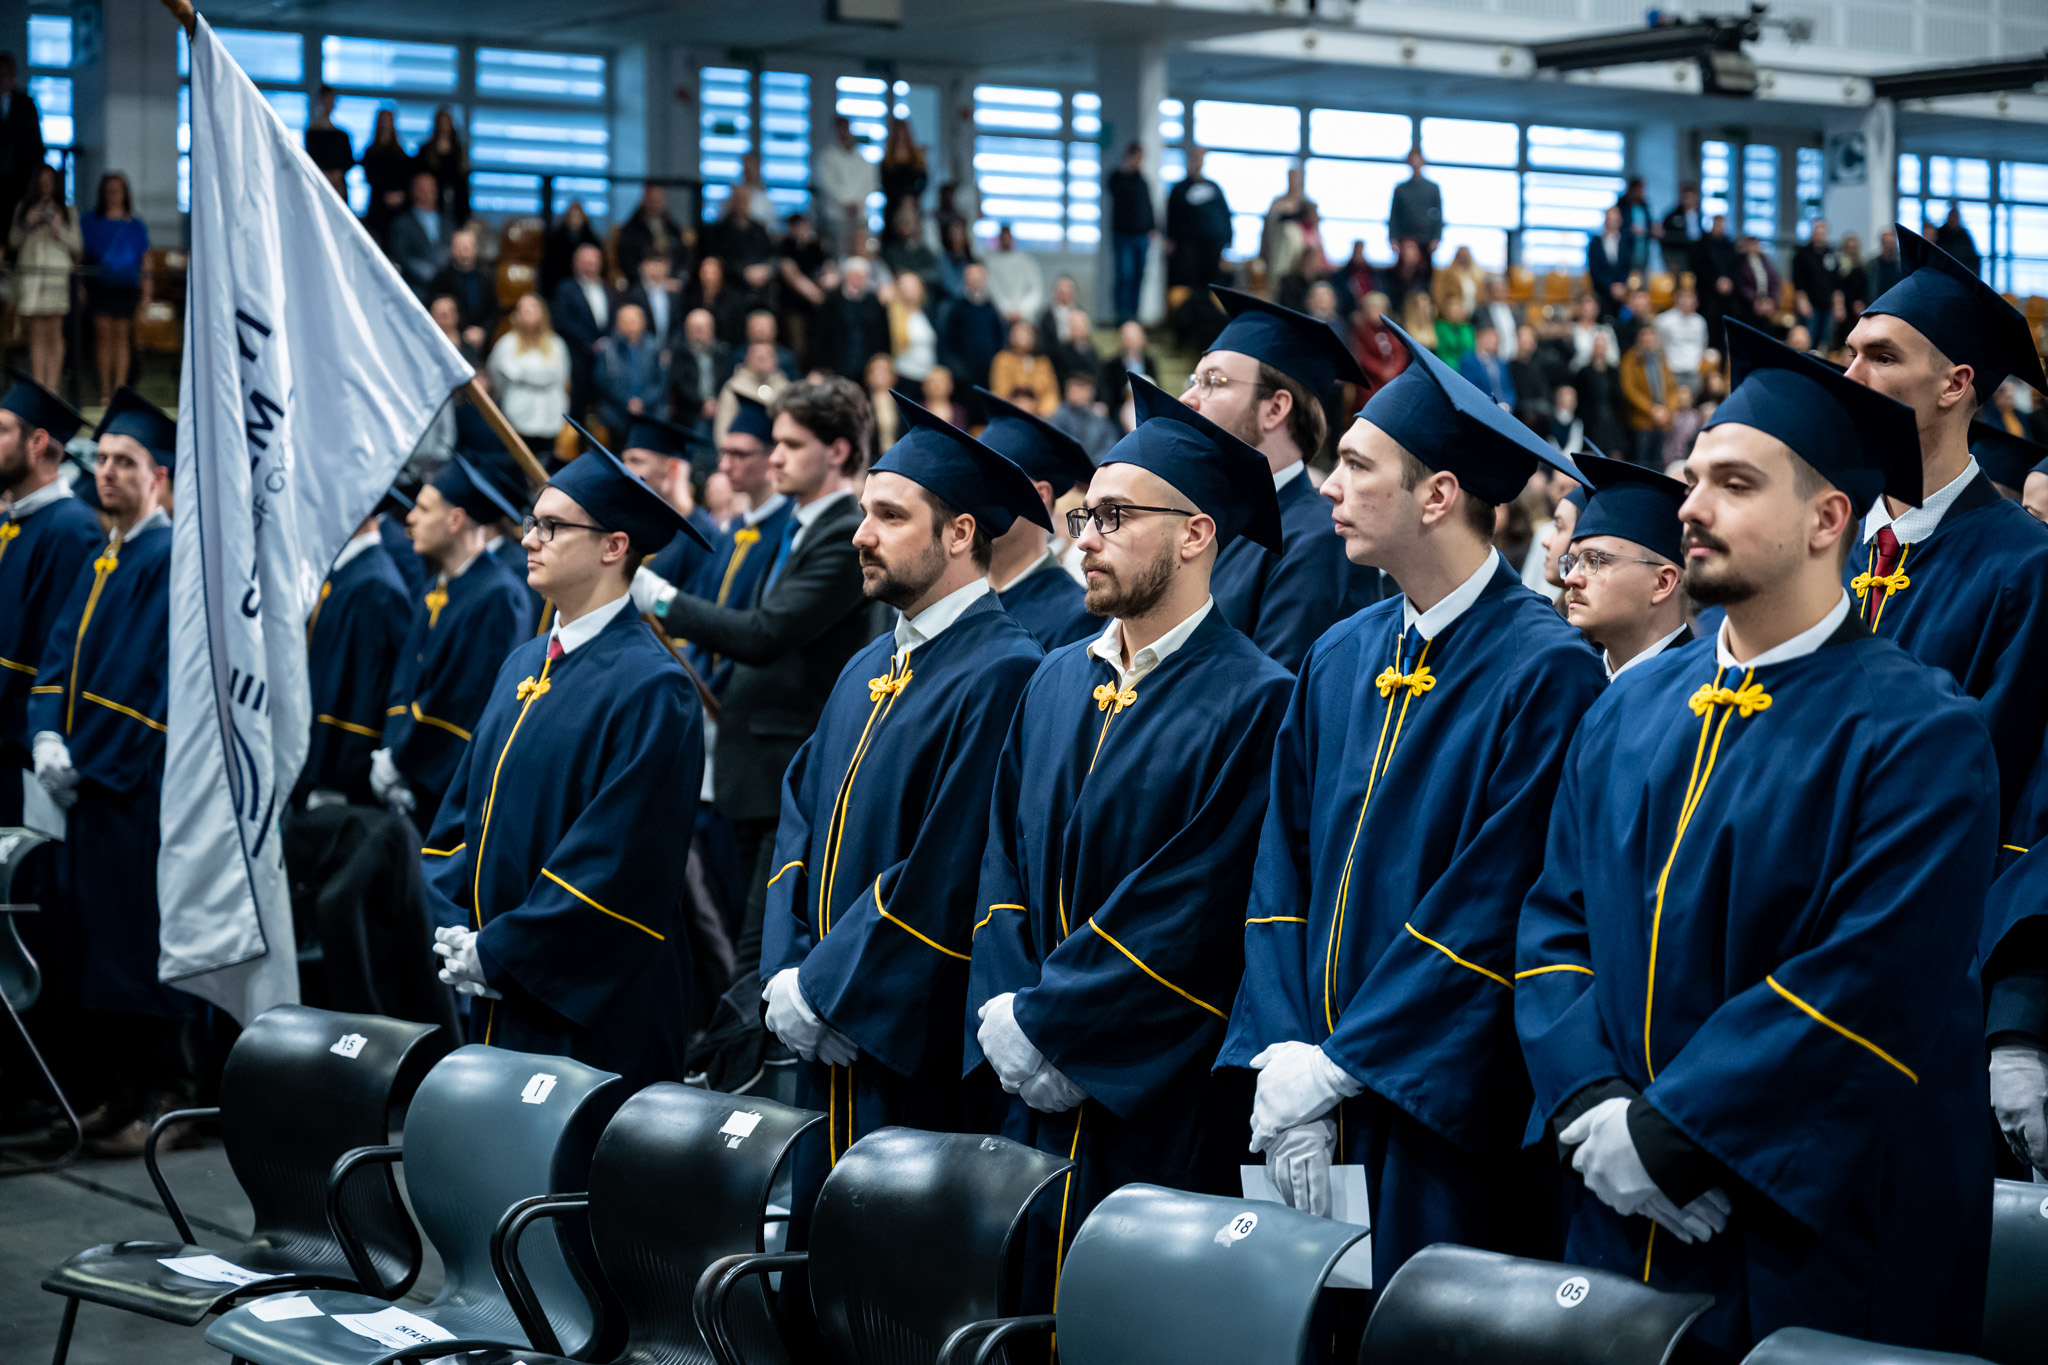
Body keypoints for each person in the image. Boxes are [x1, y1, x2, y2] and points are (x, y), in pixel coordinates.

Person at [1516, 321, 1993, 1359]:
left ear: (1826, 518)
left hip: (1808, 1224)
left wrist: (1673, 1137)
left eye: (1732, 483)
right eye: (1692, 480)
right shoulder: (1628, 711)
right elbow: (1553, 922)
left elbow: (1862, 983)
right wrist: (1593, 1108)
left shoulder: (1919, 734)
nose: (1688, 506)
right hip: (1613, 1198)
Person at [1218, 318, 1602, 1286]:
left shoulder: (1542, 670)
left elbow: (1492, 904)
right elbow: (1280, 865)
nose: (1328, 489)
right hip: (1306, 1095)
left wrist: (1346, 1064)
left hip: (1440, 1109)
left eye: (1354, 466)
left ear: (1436, 495)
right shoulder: (1338, 656)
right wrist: (1282, 1055)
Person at [968, 377, 1294, 1306]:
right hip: (1024, 1078)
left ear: (1196, 534)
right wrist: (1008, 1011)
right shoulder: (1054, 680)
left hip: (1149, 1092)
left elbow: (1191, 904)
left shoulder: (1254, 698)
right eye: (1082, 516)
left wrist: (1060, 1028)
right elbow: (1003, 864)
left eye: (1114, 516)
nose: (1086, 537)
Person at [761, 396, 1047, 1235]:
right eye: (862, 513)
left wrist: (830, 991)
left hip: (905, 1044)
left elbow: (949, 864)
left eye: (889, 515)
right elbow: (798, 818)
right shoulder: (865, 665)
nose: (861, 534)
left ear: (960, 533)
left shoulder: (1004, 669)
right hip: (824, 1032)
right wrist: (790, 972)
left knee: (892, 1279)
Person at [1836, 231, 2048, 1167]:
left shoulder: (2025, 567)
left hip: (1930, 983)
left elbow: (2029, 803)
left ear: (1957, 383)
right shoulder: (1821, 545)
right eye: (1848, 348)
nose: (1849, 372)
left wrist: (2019, 1012)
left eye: (1880, 355)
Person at [422, 435, 711, 1089]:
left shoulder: (653, 686)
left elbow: (616, 862)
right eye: (532, 521)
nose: (529, 538)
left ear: (614, 546)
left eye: (551, 526)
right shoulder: (522, 663)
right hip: (496, 984)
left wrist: (500, 951)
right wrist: (456, 932)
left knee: (572, 1181)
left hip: (591, 1005)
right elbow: (459, 819)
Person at [644, 377, 875, 983]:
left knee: (758, 961)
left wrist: (662, 600)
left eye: (791, 445)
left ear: (839, 452)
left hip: (786, 770)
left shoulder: (844, 532)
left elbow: (765, 633)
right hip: (752, 765)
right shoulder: (804, 526)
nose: (774, 458)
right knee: (737, 948)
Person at [29, 390, 195, 1154]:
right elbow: (57, 659)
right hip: (85, 784)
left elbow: (160, 687)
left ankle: (161, 1098)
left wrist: (95, 760)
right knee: (93, 940)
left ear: (158, 477)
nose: (108, 474)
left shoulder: (168, 560)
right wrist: (45, 735)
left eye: (125, 463)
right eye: (101, 461)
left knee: (137, 941)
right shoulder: (106, 551)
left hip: (137, 787)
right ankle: (112, 1092)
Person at [1181, 289, 1384, 672]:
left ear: (1275, 408)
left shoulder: (1323, 541)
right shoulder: (1199, 524)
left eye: (1214, 381)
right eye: (1194, 379)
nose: (1188, 397)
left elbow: (1273, 705)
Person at [372, 456, 533, 825]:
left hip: (445, 794)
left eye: (424, 508)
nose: (410, 518)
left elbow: (464, 701)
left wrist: (403, 762)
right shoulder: (436, 586)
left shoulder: (498, 596)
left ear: (456, 519)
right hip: (405, 772)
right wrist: (390, 753)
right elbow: (407, 680)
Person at [0, 378, 93, 827]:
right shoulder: (9, 521)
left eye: (1, 431)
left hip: (22, 752)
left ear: (37, 443)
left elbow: (59, 650)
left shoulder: (72, 531)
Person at [298, 490, 415, 807]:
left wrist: (333, 777)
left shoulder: (376, 586)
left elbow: (363, 694)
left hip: (336, 781)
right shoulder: (345, 572)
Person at [976, 388, 1098, 650]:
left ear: (1040, 495)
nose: (971, 498)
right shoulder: (957, 599)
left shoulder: (1078, 619)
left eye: (989, 481)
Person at [1557, 454, 1691, 678]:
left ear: (1662, 583)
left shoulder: (1697, 694)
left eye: (1594, 561)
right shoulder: (1572, 681)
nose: (1570, 579)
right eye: (1572, 562)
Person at [80, 173, 149, 408]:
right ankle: (105, 391)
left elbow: (145, 259)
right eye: (109, 190)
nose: (114, 195)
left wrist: (147, 293)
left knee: (122, 337)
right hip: (101, 285)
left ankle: (120, 389)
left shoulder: (135, 225)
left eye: (118, 190)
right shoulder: (91, 222)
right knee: (103, 336)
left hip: (126, 286)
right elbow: (81, 256)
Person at [10, 163, 79, 392]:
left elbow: (77, 245)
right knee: (37, 332)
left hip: (56, 277)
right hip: (32, 277)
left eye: (50, 181)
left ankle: (53, 385)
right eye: (42, 181)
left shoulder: (67, 210)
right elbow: (13, 242)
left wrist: (58, 227)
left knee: (54, 331)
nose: (46, 185)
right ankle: (39, 385)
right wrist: (27, 223)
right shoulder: (24, 207)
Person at [486, 294, 571, 454]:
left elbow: (562, 379)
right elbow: (496, 378)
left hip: (550, 416)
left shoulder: (556, 344)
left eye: (533, 307)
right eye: (523, 309)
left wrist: (523, 374)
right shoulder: (506, 344)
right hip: (517, 416)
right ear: (516, 315)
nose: (528, 312)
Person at [552, 243, 618, 423]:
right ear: (576, 264)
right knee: (578, 409)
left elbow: (614, 321)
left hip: (606, 359)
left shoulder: (610, 290)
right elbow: (563, 322)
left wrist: (606, 342)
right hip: (577, 357)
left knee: (603, 412)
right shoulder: (566, 289)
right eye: (585, 261)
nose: (590, 265)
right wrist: (590, 343)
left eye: (594, 261)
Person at [594, 303, 669, 436]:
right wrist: (627, 401)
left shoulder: (654, 348)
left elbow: (660, 381)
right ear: (618, 324)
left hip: (648, 414)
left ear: (643, 322)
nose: (630, 325)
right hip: (615, 416)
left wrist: (643, 401)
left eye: (634, 320)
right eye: (626, 321)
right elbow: (602, 381)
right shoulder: (607, 349)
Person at [1165, 147, 1232, 292]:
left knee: (1210, 283)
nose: (1197, 163)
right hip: (1187, 246)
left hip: (1212, 245)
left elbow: (1225, 214)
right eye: (1194, 159)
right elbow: (1171, 216)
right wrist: (1169, 239)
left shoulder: (1214, 187)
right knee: (1187, 283)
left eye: (1200, 159)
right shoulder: (1179, 189)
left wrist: (1228, 240)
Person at [1106, 141, 1156, 324]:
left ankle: (1133, 316)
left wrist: (1152, 228)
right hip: (1123, 236)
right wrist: (1125, 168)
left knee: (1137, 277)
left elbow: (1148, 206)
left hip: (1141, 236)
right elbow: (1112, 189)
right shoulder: (1118, 177)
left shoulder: (1142, 180)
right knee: (1124, 276)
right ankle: (1122, 316)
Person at [814, 116, 878, 257]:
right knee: (839, 254)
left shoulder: (861, 159)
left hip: (858, 213)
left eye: (846, 127)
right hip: (836, 215)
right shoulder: (827, 157)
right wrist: (846, 202)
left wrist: (856, 202)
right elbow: (827, 184)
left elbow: (869, 183)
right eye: (840, 127)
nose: (844, 131)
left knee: (860, 254)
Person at [428, 227, 496, 354]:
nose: (463, 252)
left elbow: (494, 310)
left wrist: (483, 331)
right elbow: (437, 310)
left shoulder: (487, 276)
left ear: (475, 249)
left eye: (467, 247)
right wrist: (462, 332)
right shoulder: (441, 277)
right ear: (452, 250)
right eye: (459, 247)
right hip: (452, 338)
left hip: (484, 338)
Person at [1621, 323, 1678, 469]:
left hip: (1662, 421)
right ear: (1638, 338)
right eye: (1644, 335)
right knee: (1641, 463)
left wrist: (1667, 410)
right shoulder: (1631, 359)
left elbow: (1672, 387)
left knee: (1658, 463)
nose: (1648, 339)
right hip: (1642, 421)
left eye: (1651, 335)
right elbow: (1630, 390)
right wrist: (1652, 409)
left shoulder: (1661, 358)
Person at [388, 171, 450, 302]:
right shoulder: (402, 223)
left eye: (432, 187)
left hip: (445, 291)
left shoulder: (449, 223)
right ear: (413, 191)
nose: (429, 192)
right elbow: (401, 255)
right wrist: (426, 272)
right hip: (415, 289)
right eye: (423, 188)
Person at [0, 52, 45, 228]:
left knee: (17, 220)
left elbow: (35, 141)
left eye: (7, 73)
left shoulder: (26, 104)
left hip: (20, 176)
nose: (4, 78)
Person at [359, 108, 412, 246]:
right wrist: (385, 194)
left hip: (398, 208)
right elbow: (370, 178)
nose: (386, 123)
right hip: (378, 205)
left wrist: (400, 195)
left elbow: (406, 176)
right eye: (383, 119)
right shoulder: (370, 151)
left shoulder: (401, 152)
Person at [616, 184, 686, 283]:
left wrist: (676, 278)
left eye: (659, 198)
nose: (655, 203)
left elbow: (682, 258)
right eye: (652, 199)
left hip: (669, 281)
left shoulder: (673, 229)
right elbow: (626, 260)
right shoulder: (632, 229)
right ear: (645, 199)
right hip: (640, 282)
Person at [988, 320, 1059, 417]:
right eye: (1018, 332)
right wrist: (1016, 405)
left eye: (1026, 333)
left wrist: (1037, 408)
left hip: (1038, 416)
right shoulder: (1003, 359)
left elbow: (1051, 394)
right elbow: (999, 390)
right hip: (1009, 413)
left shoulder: (1043, 362)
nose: (1022, 336)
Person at [1388, 146, 1442, 271]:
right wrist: (1393, 238)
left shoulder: (1432, 188)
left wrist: (1436, 237)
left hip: (1426, 238)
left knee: (1424, 272)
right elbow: (1394, 215)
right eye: (1412, 161)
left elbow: (1438, 215)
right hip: (1405, 237)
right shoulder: (1401, 189)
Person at [1046, 370, 1120, 461]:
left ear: (1091, 392)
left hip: (1095, 469)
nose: (1076, 391)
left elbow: (1110, 447)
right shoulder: (1057, 415)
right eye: (1073, 387)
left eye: (1082, 387)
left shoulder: (1099, 419)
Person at [415, 106, 468, 229]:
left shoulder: (458, 151)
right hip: (431, 206)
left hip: (455, 204)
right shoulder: (426, 150)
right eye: (442, 121)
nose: (444, 125)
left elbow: (463, 181)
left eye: (447, 121)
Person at [539, 199, 601, 303]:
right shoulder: (554, 240)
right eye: (573, 216)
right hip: (559, 283)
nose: (575, 219)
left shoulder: (592, 239)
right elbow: (548, 268)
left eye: (578, 216)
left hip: (587, 287)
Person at [985, 224, 1047, 326]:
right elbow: (993, 290)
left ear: (1012, 238)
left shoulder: (1026, 261)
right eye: (1003, 237)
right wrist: (1006, 310)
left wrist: (1023, 310)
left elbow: (1036, 289)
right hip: (1001, 319)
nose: (1006, 240)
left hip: (1025, 318)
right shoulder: (991, 263)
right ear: (998, 239)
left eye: (1008, 237)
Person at [1791, 219, 1842, 342]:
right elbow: (1798, 281)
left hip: (1827, 304)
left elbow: (1836, 282)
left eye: (1823, 233)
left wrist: (1838, 304)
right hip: (1810, 304)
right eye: (1818, 233)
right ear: (1812, 233)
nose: (1820, 236)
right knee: (1809, 338)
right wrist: (1802, 300)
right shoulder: (1802, 254)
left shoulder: (1830, 254)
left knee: (1825, 340)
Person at [887, 270, 938, 390]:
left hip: (928, 378)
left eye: (913, 286)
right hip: (903, 376)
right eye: (906, 287)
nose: (910, 290)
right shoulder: (891, 314)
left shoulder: (929, 313)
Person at [1654, 287, 1708, 393]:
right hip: (1672, 370)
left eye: (1690, 298)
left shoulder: (1700, 322)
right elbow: (1658, 343)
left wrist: (1699, 367)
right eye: (1684, 298)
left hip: (1693, 370)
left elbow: (1703, 345)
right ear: (1677, 299)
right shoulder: (1664, 320)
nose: (1687, 301)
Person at [1352, 292, 1407, 391]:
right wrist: (1382, 372)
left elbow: (1401, 353)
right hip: (1371, 382)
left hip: (1395, 379)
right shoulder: (1361, 331)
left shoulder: (1393, 329)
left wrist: (1394, 370)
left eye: (1379, 308)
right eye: (1373, 308)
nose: (1376, 311)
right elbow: (1363, 356)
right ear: (1366, 310)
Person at [304, 87, 353, 196]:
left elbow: (348, 161)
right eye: (325, 99)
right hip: (319, 185)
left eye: (331, 99)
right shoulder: (312, 133)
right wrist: (325, 175)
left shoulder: (342, 135)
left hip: (338, 188)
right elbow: (312, 158)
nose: (328, 103)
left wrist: (337, 175)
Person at [1587, 205, 1633, 315]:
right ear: (1605, 220)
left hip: (1621, 292)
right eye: (1610, 219)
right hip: (1601, 291)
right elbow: (1594, 268)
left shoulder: (1626, 242)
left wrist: (1620, 285)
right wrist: (1610, 286)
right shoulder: (1595, 242)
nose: (1613, 222)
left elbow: (1628, 266)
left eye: (1615, 219)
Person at [1459, 322, 1515, 409]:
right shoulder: (1469, 361)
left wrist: (1507, 405)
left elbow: (1509, 388)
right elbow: (1470, 389)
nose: (1494, 342)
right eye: (1489, 338)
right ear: (1480, 339)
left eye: (1496, 340)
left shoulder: (1501, 363)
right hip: (1482, 408)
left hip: (1504, 410)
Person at [1659, 181, 1706, 279]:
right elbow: (1664, 238)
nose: (1689, 200)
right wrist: (1671, 261)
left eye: (1692, 197)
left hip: (1696, 261)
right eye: (1686, 197)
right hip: (1678, 260)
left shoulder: (1700, 217)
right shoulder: (1672, 217)